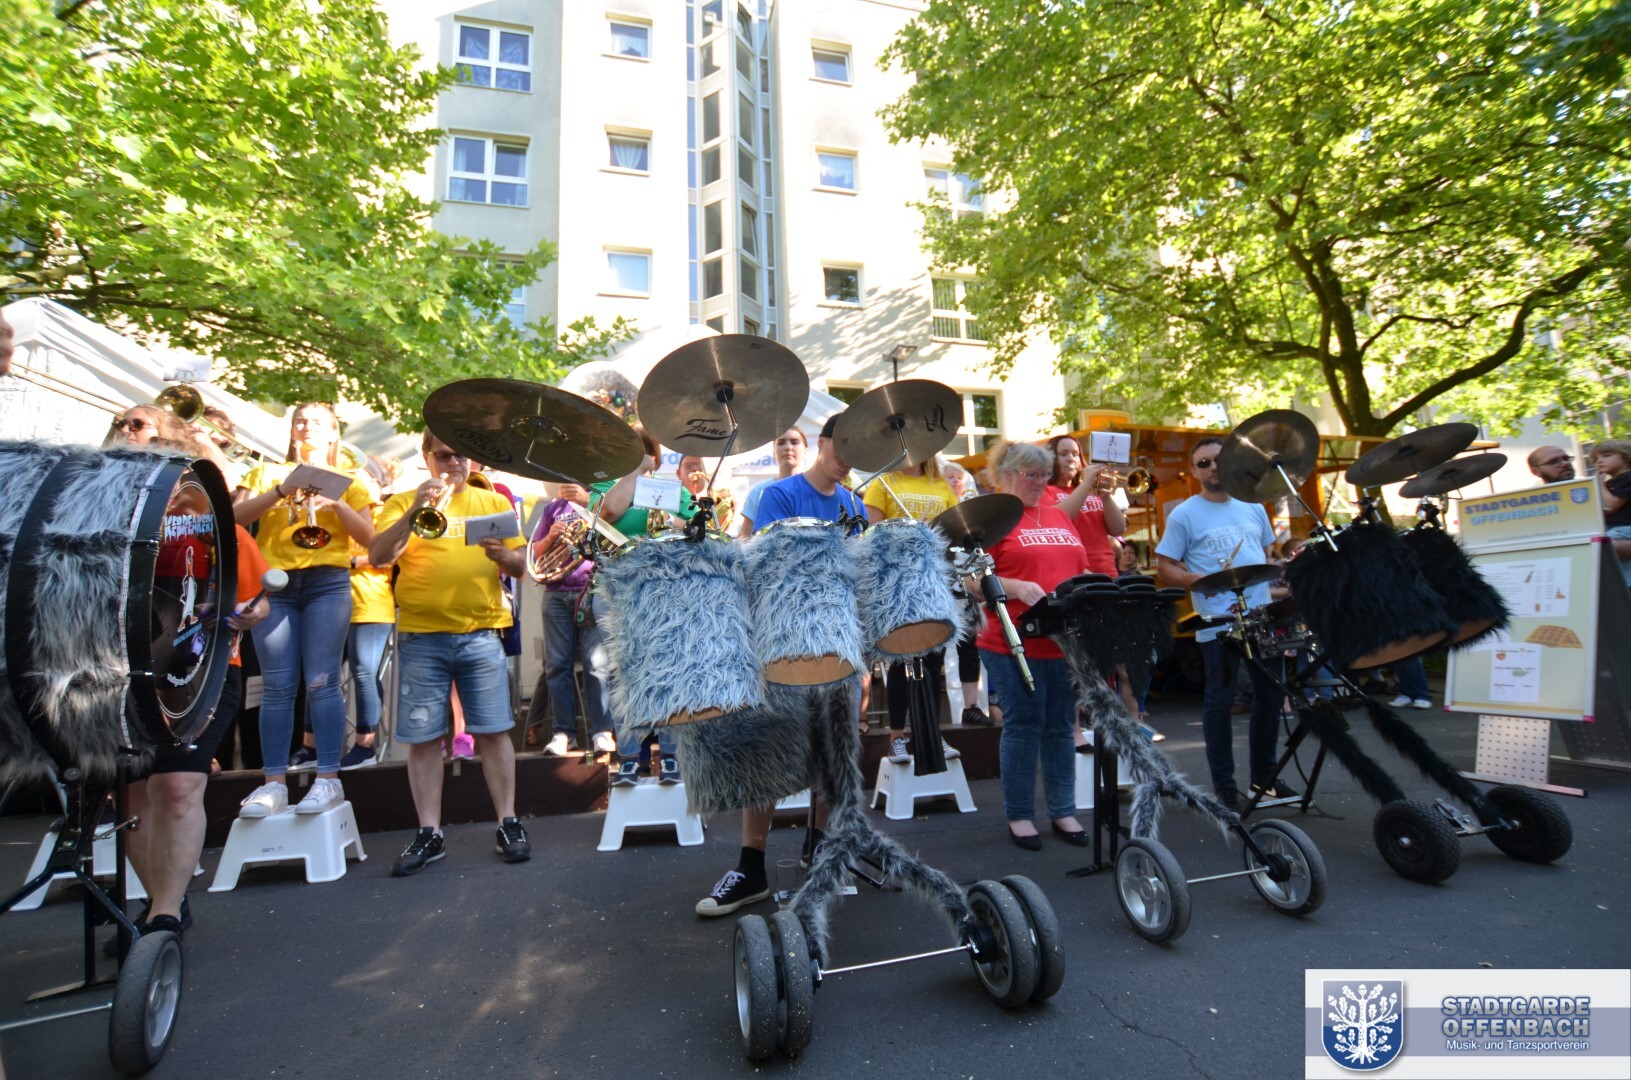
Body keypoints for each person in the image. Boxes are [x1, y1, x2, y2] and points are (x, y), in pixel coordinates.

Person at [104, 422, 269, 941]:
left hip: (204, 675)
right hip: (125, 677)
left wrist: (250, 614)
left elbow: (259, 600)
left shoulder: (222, 531)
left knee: (177, 786)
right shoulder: (115, 530)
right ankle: (162, 900)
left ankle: (164, 917)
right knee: (132, 798)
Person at [697, 412, 861, 916]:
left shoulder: (855, 504)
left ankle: (820, 851)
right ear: (822, 442)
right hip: (784, 643)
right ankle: (751, 867)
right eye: (842, 449)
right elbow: (767, 568)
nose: (848, 462)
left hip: (839, 645)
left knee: (834, 752)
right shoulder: (780, 495)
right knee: (766, 749)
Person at [369, 434, 531, 875]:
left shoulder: (491, 501)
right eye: (442, 455)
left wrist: (502, 555)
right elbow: (378, 556)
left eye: (459, 454)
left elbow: (521, 567)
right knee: (423, 738)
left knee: (493, 731)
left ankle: (509, 822)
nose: (452, 462)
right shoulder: (402, 501)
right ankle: (430, 832)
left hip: (481, 632)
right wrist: (414, 511)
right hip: (422, 634)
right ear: (426, 458)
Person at [231, 403, 376, 817]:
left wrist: (338, 505)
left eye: (316, 422)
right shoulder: (266, 472)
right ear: (292, 430)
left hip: (327, 582)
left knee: (321, 681)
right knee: (277, 686)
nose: (306, 426)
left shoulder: (353, 478)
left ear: (333, 433)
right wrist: (280, 491)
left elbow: (371, 540)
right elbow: (233, 519)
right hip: (275, 583)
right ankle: (273, 783)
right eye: (300, 420)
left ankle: (327, 777)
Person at [1155, 437, 1293, 811]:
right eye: (1203, 463)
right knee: (1220, 701)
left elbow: (1266, 555)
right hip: (1218, 621)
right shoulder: (1185, 514)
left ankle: (1264, 779)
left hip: (1260, 616)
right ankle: (1224, 787)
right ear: (1193, 471)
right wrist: (1198, 580)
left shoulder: (1254, 506)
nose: (1213, 467)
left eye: (1218, 459)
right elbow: (1165, 568)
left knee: (1270, 697)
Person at [973, 440, 1095, 849]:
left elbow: (1077, 564)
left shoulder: (1057, 514)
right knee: (1025, 724)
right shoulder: (991, 518)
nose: (1040, 482)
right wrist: (1013, 586)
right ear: (1007, 474)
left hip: (1062, 638)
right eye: (1031, 475)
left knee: (1061, 726)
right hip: (1010, 641)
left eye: (1044, 475)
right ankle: (1021, 815)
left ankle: (1063, 810)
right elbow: (971, 580)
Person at [593, 426, 696, 781]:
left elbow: (695, 525)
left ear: (653, 453)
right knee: (622, 673)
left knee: (667, 669)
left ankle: (669, 754)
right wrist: (634, 472)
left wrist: (672, 519)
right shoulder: (603, 488)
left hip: (663, 591)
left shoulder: (672, 488)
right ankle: (629, 757)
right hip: (615, 590)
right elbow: (607, 514)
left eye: (639, 447)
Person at [863, 456, 962, 763]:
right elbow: (871, 536)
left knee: (933, 656)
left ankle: (930, 734)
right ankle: (896, 737)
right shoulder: (883, 483)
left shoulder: (941, 484)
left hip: (932, 581)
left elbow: (952, 535)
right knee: (900, 658)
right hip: (897, 583)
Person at [531, 481, 616, 757]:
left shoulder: (602, 502)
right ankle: (563, 733)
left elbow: (612, 540)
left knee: (596, 665)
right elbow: (535, 552)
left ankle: (602, 731)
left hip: (590, 590)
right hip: (556, 592)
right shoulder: (552, 509)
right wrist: (550, 537)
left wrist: (588, 503)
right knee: (557, 666)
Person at [1043, 433, 1125, 575]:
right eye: (1063, 454)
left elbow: (1118, 529)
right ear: (1050, 459)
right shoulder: (1045, 490)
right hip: (1074, 572)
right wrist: (1086, 484)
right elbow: (1059, 520)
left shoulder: (1091, 490)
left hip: (1107, 570)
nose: (1071, 458)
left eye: (1075, 454)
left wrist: (1106, 497)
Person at [738, 427, 807, 536]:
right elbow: (745, 537)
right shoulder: (759, 491)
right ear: (774, 452)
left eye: (794, 442)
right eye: (781, 443)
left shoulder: (817, 489)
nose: (788, 447)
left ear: (805, 450)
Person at [1591, 438, 1631, 587]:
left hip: (1626, 527)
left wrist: (1599, 484)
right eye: (1596, 459)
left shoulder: (1627, 478)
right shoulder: (1615, 481)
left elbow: (1614, 503)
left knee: (1602, 547)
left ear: (1626, 456)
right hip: (1618, 526)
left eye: (1607, 456)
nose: (1599, 461)